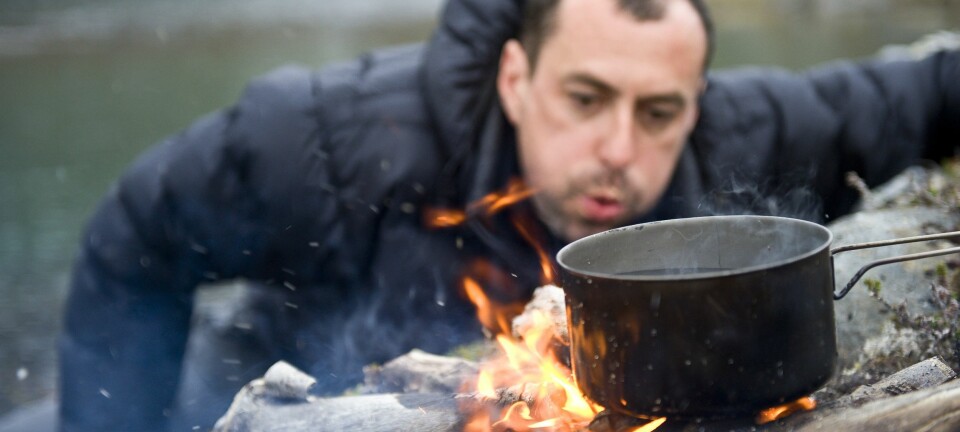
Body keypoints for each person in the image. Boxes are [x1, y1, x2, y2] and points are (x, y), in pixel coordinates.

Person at [58, 0, 959, 430]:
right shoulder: (323, 138)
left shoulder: (737, 128)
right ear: (517, 79)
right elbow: (132, 239)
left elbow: (918, 94)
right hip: (269, 385)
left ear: (695, 98)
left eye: (657, 112)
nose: (619, 147)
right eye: (586, 97)